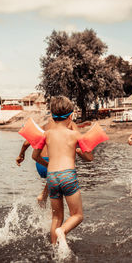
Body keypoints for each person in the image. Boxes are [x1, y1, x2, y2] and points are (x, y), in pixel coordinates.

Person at [32, 96, 93, 245]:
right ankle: (63, 231)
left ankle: (54, 250)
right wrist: (80, 152)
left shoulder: (46, 135)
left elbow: (35, 156)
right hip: (68, 176)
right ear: (71, 116)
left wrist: (48, 165)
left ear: (52, 116)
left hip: (52, 177)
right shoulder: (75, 134)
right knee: (77, 215)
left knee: (56, 218)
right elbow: (90, 157)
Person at [16, 118, 79, 207]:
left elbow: (26, 143)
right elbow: (80, 140)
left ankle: (44, 196)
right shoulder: (70, 124)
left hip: (40, 164)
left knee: (54, 184)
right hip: (54, 164)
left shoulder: (44, 127)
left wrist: (20, 155)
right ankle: (45, 197)